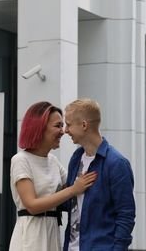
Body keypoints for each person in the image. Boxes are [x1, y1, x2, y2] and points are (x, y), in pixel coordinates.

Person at [9, 101, 97, 251]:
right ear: (40, 128)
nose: (63, 131)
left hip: (52, 233)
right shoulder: (20, 160)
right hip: (31, 237)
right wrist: (73, 190)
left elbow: (77, 186)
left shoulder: (53, 161)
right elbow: (32, 205)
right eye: (58, 126)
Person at [63, 98, 136, 251]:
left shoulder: (117, 164)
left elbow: (125, 215)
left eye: (68, 124)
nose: (65, 130)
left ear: (84, 125)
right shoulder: (76, 159)